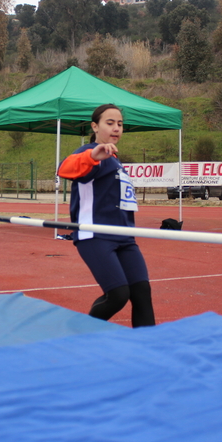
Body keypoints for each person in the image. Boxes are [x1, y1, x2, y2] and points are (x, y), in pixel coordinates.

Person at [57, 103, 155, 328]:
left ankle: (149, 347)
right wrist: (92, 155)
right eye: (109, 123)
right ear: (95, 126)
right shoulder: (89, 152)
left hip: (125, 237)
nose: (116, 128)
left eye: (120, 124)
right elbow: (65, 169)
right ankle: (80, 333)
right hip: (96, 236)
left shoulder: (116, 159)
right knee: (118, 295)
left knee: (141, 291)